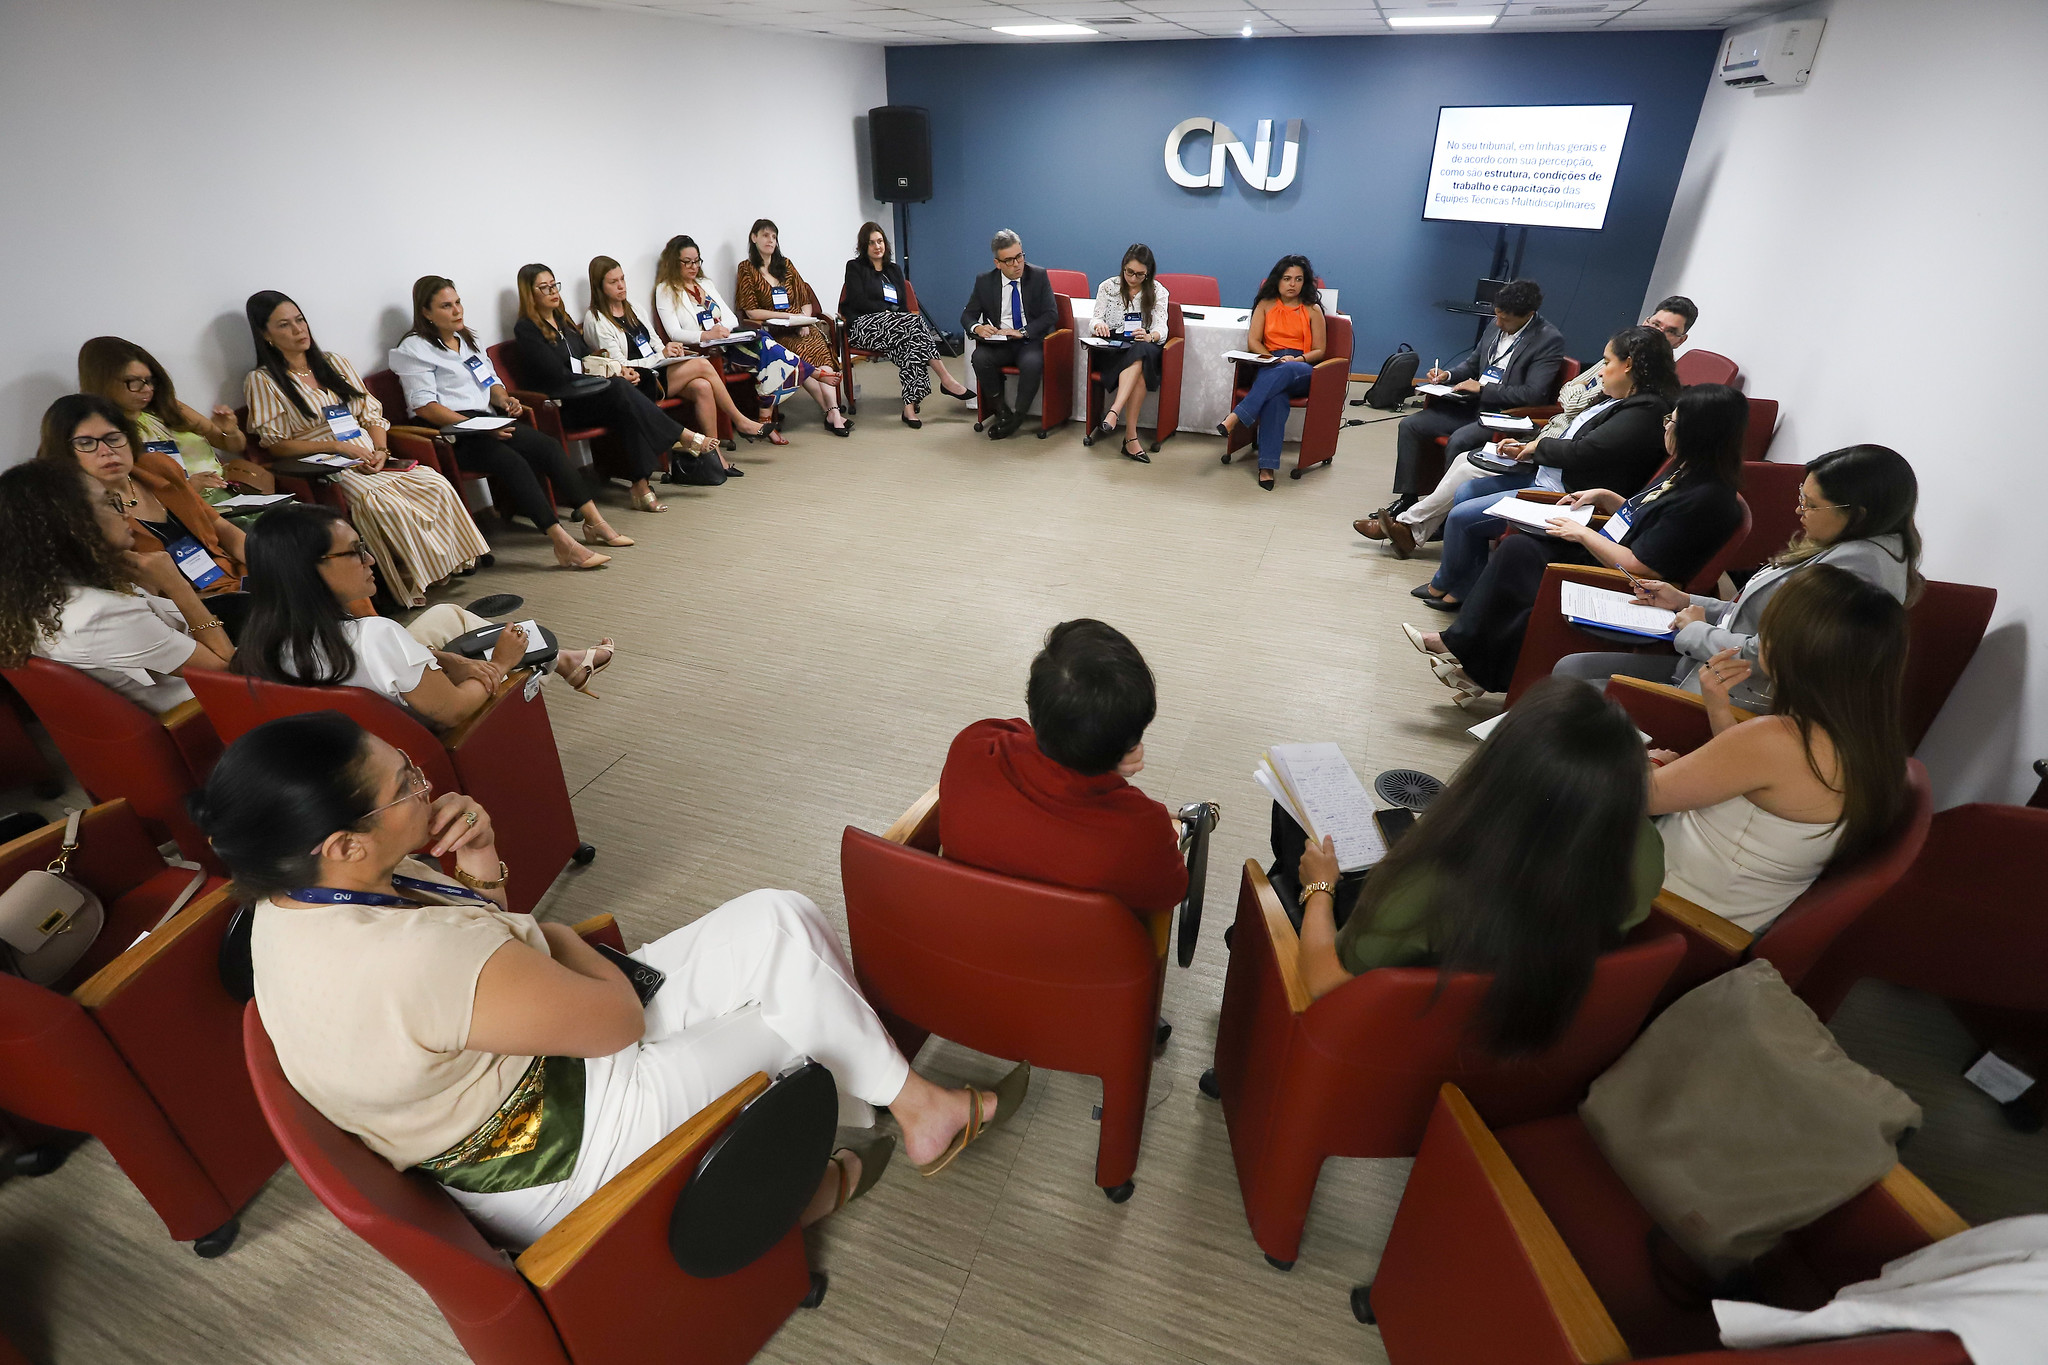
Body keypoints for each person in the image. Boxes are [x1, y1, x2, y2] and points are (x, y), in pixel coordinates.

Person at [208, 709, 1029, 1247]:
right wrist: (563, 937)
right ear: (343, 843)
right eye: (405, 786)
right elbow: (609, 1018)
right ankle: (830, 1165)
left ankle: (904, 1111)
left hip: (526, 1066)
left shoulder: (298, 898)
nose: (427, 787)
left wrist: (482, 859)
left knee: (781, 917)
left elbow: (481, 960)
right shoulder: (397, 958)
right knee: (795, 1010)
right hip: (555, 1149)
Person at [1292, 678, 1663, 1054]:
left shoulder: (1428, 884)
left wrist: (1319, 888)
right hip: (1521, 1038)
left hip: (1402, 1044)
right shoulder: (1645, 849)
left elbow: (1326, 983)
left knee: (1293, 834)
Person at [1406, 384, 1750, 705]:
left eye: (1672, 422)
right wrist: (1606, 497)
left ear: (1698, 432)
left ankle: (1467, 659)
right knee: (1518, 550)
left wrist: (1583, 533)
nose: (1666, 427)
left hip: (1629, 584)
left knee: (1524, 577)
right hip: (1608, 553)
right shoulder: (1686, 471)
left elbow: (1643, 566)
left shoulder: (1707, 499)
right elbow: (1645, 518)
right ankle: (1461, 650)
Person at [1556, 443, 1923, 712]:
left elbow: (1771, 656)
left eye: (1811, 504)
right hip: (1712, 669)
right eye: (1802, 496)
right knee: (1572, 669)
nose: (1798, 510)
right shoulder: (1844, 544)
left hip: (1737, 699)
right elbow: (1755, 614)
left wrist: (1695, 630)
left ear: (1857, 515)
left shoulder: (1855, 573)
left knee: (1571, 689)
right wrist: (1685, 601)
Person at [1649, 564, 1909, 933]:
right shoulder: (1873, 740)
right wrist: (1719, 709)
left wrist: (1652, 762)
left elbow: (1639, 798)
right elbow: (1757, 788)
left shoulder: (1777, 739)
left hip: (1667, 905)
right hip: (1727, 909)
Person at [1358, 297, 1700, 555]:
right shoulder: (1619, 366)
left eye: (1669, 330)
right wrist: (1449, 376)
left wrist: (1537, 441)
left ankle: (1412, 528)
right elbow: (1570, 393)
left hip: (1552, 455)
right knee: (1436, 440)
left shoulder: (1644, 396)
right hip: (1549, 435)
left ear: (1680, 340)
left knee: (1464, 450)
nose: (1657, 332)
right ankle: (1412, 522)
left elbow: (1574, 412)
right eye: (1655, 323)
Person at [234, 505, 616, 725]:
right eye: (354, 551)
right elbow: (453, 711)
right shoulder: (374, 636)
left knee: (449, 614)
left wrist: (444, 659)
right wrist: (501, 664)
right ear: (308, 569)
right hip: (420, 738)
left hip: (348, 740)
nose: (370, 560)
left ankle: (565, 661)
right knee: (509, 651)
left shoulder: (257, 640)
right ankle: (556, 660)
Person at [243, 292, 493, 606]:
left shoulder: (334, 362)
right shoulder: (263, 381)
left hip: (371, 451)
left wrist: (381, 451)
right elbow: (276, 444)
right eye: (284, 325)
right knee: (383, 504)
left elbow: (371, 415)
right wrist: (337, 446)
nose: (298, 330)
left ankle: (453, 562)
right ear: (265, 334)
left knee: (433, 482)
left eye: (300, 320)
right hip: (329, 465)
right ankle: (413, 579)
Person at [1417, 326, 1680, 609]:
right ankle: (1464, 582)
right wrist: (1529, 449)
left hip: (1571, 497)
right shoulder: (1619, 398)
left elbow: (1584, 451)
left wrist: (1536, 448)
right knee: (1466, 490)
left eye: (1606, 362)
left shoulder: (1644, 411)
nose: (1601, 371)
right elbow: (1572, 435)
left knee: (1461, 517)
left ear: (1628, 364)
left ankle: (1448, 585)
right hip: (1549, 477)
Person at [939, 619, 1188, 919]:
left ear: (1033, 702)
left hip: (964, 930)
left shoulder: (974, 747)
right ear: (1131, 743)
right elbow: (1171, 891)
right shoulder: (1141, 831)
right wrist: (1105, 766)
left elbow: (1020, 736)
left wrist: (1099, 757)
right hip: (1077, 948)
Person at [388, 276, 626, 569]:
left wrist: (504, 399)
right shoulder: (413, 349)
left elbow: (490, 382)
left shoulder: (467, 339)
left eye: (458, 302)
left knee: (548, 447)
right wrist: (480, 427)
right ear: (426, 312)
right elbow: (425, 407)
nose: (457, 310)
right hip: (452, 432)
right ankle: (563, 543)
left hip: (487, 419)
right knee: (512, 462)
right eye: (446, 306)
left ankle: (595, 522)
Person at [0, 459, 232, 712]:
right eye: (109, 502)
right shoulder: (100, 614)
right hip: (208, 710)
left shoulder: (35, 592)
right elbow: (226, 667)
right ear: (72, 524)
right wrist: (176, 585)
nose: (126, 514)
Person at [512, 264, 735, 508]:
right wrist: (608, 377)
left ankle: (641, 486)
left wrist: (618, 370)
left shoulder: (562, 320)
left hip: (590, 394)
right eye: (544, 288)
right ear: (529, 293)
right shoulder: (527, 329)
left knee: (631, 397)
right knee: (622, 392)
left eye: (554, 285)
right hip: (563, 404)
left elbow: (589, 357)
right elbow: (557, 375)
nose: (553, 291)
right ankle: (680, 436)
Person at [1386, 279, 1567, 516]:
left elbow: (1534, 393)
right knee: (1411, 425)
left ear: (1528, 315)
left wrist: (1483, 389)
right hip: (1471, 407)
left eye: (1505, 319)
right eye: (1497, 316)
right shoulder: (1495, 325)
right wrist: (1448, 375)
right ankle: (1408, 497)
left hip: (1503, 417)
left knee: (1459, 440)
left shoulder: (1548, 339)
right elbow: (1472, 364)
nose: (1498, 323)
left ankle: (1441, 513)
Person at [39, 393, 248, 594]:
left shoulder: (158, 467)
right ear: (64, 452)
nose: (106, 451)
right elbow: (134, 593)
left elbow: (222, 527)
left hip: (232, 578)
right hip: (179, 605)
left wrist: (262, 563)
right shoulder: (78, 513)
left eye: (113, 438)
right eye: (86, 443)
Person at [77, 336, 273, 496]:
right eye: (133, 382)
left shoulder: (167, 408)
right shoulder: (104, 433)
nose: (147, 389)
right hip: (184, 508)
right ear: (103, 381)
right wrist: (189, 488)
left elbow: (233, 446)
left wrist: (230, 431)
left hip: (227, 492)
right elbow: (131, 493)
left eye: (149, 380)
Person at [652, 233, 790, 448]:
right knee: (767, 351)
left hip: (726, 344)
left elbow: (732, 319)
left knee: (763, 341)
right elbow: (674, 333)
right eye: (687, 262)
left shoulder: (705, 283)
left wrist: (720, 331)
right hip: (702, 351)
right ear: (673, 262)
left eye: (697, 261)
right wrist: (706, 335)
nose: (693, 267)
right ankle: (804, 375)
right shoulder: (666, 290)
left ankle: (759, 415)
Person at [841, 221, 974, 429]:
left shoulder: (894, 270)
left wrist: (893, 316)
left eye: (880, 241)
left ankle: (909, 409)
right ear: (863, 246)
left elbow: (902, 304)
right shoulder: (855, 267)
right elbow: (858, 300)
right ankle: (946, 379)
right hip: (864, 326)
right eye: (871, 243)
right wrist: (885, 312)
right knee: (914, 324)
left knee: (911, 345)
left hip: (896, 328)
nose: (877, 246)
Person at [1217, 256, 1327, 490]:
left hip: (1302, 367)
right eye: (1287, 278)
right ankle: (1266, 466)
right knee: (1275, 399)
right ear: (1277, 280)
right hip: (1271, 363)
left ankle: (1236, 417)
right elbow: (1254, 342)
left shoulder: (1312, 309)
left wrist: (1297, 360)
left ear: (1305, 282)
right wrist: (1272, 359)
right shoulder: (1265, 305)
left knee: (1286, 370)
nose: (1292, 284)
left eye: (1298, 279)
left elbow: (1320, 350)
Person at [733, 220, 850, 436]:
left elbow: (805, 299)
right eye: (765, 235)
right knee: (802, 357)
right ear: (754, 238)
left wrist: (803, 321)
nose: (770, 241)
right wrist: (789, 317)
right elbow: (751, 312)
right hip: (775, 332)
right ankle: (831, 412)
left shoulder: (786, 265)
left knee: (819, 353)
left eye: (774, 237)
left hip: (801, 327)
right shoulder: (746, 269)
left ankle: (833, 412)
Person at [961, 229, 1060, 441]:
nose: (1017, 264)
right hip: (1001, 343)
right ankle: (1001, 411)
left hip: (1029, 340)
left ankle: (1018, 417)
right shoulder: (984, 281)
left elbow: (1051, 314)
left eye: (1019, 256)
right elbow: (967, 315)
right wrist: (977, 328)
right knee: (979, 358)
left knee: (1032, 363)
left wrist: (1022, 331)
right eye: (1009, 260)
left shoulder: (1038, 275)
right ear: (997, 263)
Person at [1087, 245, 1171, 464]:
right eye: (1129, 272)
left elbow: (1162, 328)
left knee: (1141, 351)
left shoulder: (1158, 291)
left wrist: (1150, 335)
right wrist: (1098, 326)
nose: (1133, 278)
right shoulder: (1108, 286)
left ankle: (1114, 412)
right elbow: (1095, 318)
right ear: (1123, 267)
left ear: (1148, 273)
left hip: (1143, 343)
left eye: (1140, 274)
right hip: (1115, 347)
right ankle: (1130, 438)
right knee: (1140, 369)